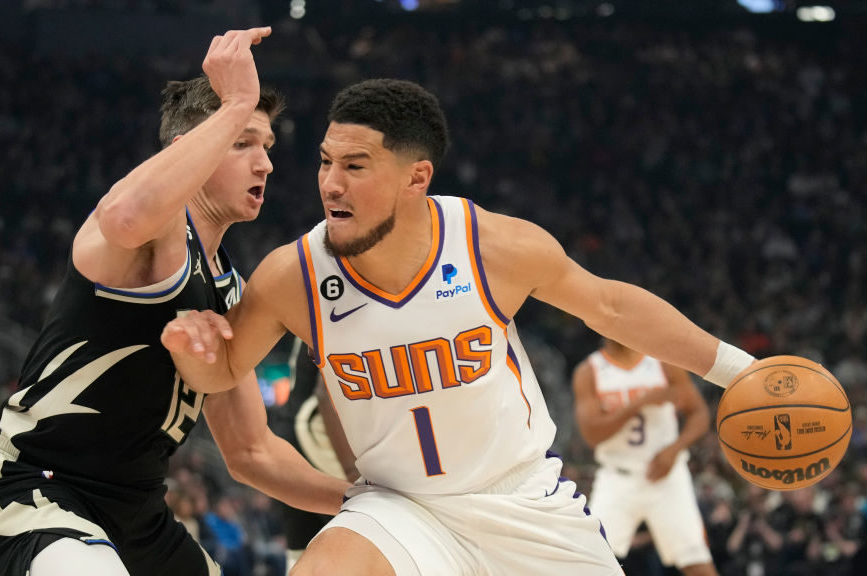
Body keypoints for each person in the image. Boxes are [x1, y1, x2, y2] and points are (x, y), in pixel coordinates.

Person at [162, 78, 758, 575]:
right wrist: (191, 351)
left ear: (416, 177)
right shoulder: (292, 276)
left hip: (523, 501)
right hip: (400, 509)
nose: (330, 183)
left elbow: (612, 307)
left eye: (355, 166)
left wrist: (742, 372)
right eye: (325, 161)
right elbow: (223, 371)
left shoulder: (490, 246)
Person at [0, 28, 348, 576]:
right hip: (40, 492)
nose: (264, 164)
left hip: (139, 515)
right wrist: (236, 102)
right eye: (243, 143)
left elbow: (252, 453)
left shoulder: (232, 291)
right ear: (188, 149)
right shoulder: (152, 236)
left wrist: (365, 502)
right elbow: (126, 216)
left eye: (266, 147)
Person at [572, 337, 719, 576]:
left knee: (696, 563)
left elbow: (699, 413)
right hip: (617, 478)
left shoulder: (663, 362)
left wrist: (675, 449)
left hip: (667, 476)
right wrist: (640, 403)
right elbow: (592, 435)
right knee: (589, 562)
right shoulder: (589, 371)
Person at [268, 337, 358, 572]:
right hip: (319, 437)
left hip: (295, 437)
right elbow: (326, 392)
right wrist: (353, 472)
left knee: (304, 558)